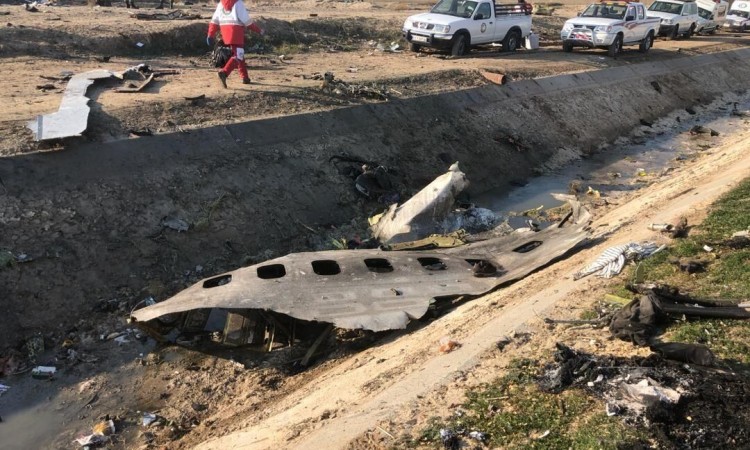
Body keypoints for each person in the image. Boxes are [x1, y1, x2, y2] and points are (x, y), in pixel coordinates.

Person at [206, 0, 263, 88]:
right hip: (236, 31)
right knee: (238, 54)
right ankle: (224, 72)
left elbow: (214, 21)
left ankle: (245, 77)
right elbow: (247, 22)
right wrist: (259, 30)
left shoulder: (221, 3)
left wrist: (210, 34)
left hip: (225, 32)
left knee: (239, 53)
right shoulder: (238, 3)